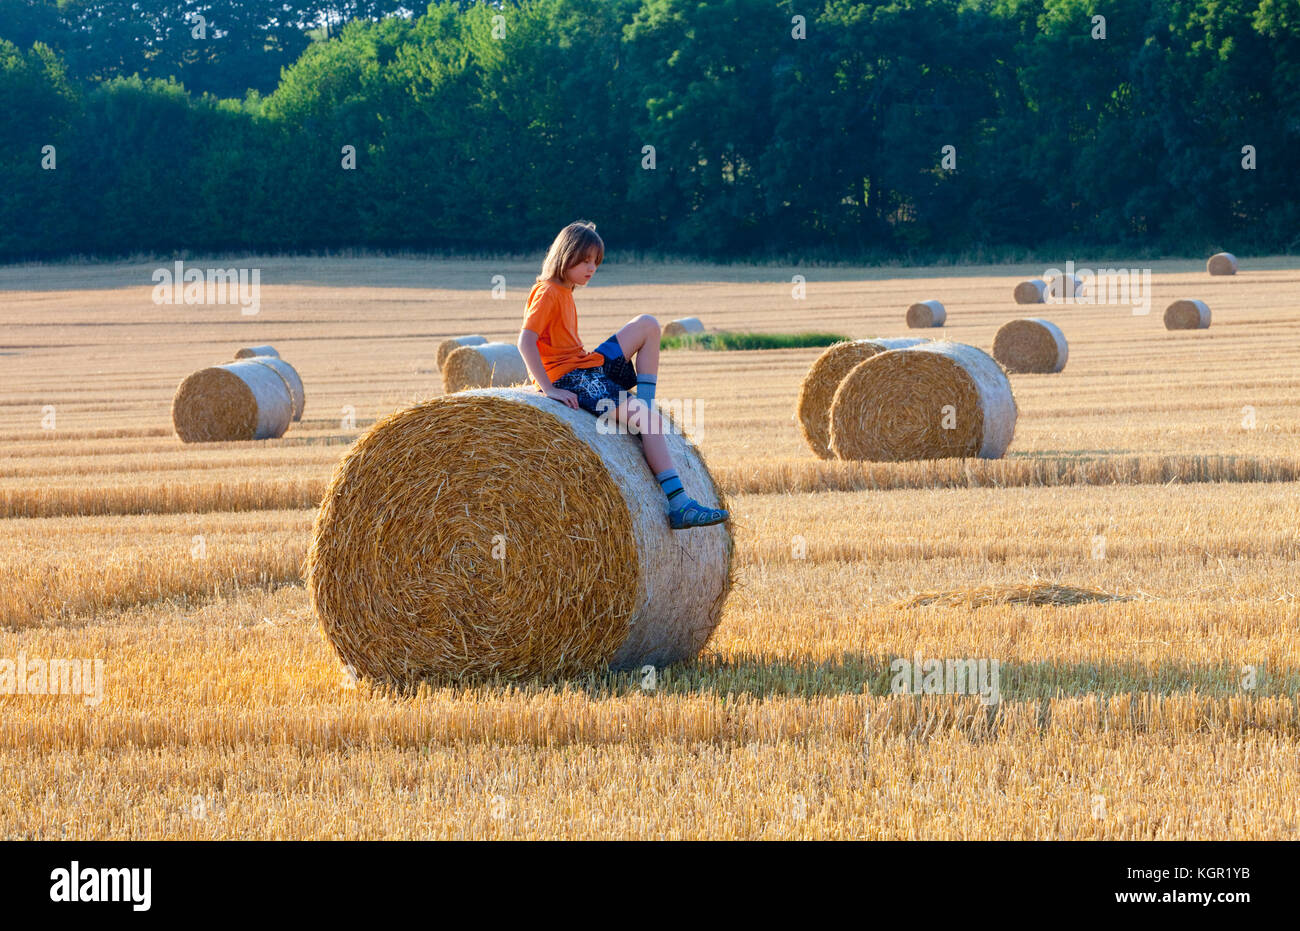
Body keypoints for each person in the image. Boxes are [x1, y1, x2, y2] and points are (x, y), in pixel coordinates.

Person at [516, 220, 728, 530]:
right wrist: (548, 388)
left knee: (648, 325)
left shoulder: (564, 291)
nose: (592, 268)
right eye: (585, 260)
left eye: (596, 263)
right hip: (572, 378)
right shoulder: (548, 292)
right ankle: (680, 505)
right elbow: (525, 341)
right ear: (565, 255)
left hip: (588, 365)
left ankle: (644, 406)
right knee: (650, 421)